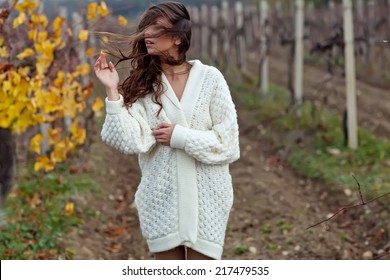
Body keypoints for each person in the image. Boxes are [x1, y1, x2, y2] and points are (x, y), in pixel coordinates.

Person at [94, 1, 240, 260]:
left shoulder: (211, 79)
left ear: (177, 37)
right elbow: (129, 141)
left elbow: (228, 142)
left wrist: (180, 137)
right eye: (146, 27)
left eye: (157, 28)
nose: (147, 34)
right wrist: (112, 90)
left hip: (208, 201)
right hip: (161, 201)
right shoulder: (145, 86)